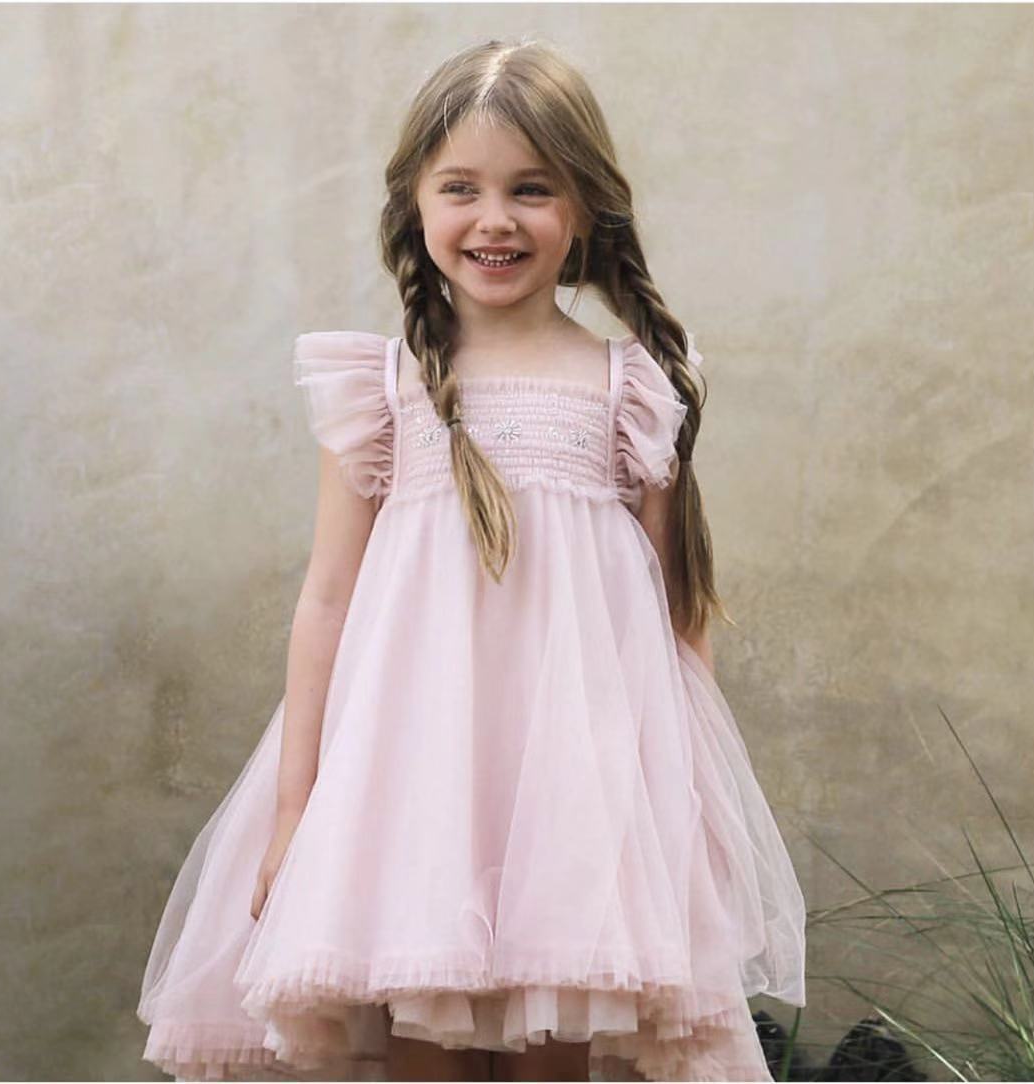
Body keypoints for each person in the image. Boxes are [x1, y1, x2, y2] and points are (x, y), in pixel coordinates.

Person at [137, 36, 807, 1083]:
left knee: (561, 1034)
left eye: (531, 189)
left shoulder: (630, 389)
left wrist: (686, 810)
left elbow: (675, 614)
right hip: (412, 781)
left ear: (584, 207)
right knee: (421, 1026)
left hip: (583, 793)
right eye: (462, 188)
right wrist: (295, 810)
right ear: (415, 202)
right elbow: (327, 600)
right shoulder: (386, 389)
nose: (495, 219)